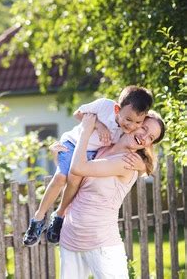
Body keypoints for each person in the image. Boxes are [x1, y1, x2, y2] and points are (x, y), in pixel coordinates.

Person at [23, 86, 153, 246]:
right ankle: (38, 217)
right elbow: (78, 113)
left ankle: (59, 216)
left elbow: (144, 150)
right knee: (60, 177)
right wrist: (98, 125)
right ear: (117, 109)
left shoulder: (130, 131)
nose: (131, 125)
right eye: (128, 119)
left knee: (74, 180)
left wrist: (142, 165)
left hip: (90, 153)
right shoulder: (105, 106)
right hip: (72, 143)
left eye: (137, 122)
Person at [58, 112, 165, 278]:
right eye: (144, 128)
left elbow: (78, 167)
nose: (144, 137)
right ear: (135, 122)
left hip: (102, 244)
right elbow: (72, 176)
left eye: (150, 137)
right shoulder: (102, 147)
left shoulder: (127, 161)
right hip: (70, 238)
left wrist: (86, 130)